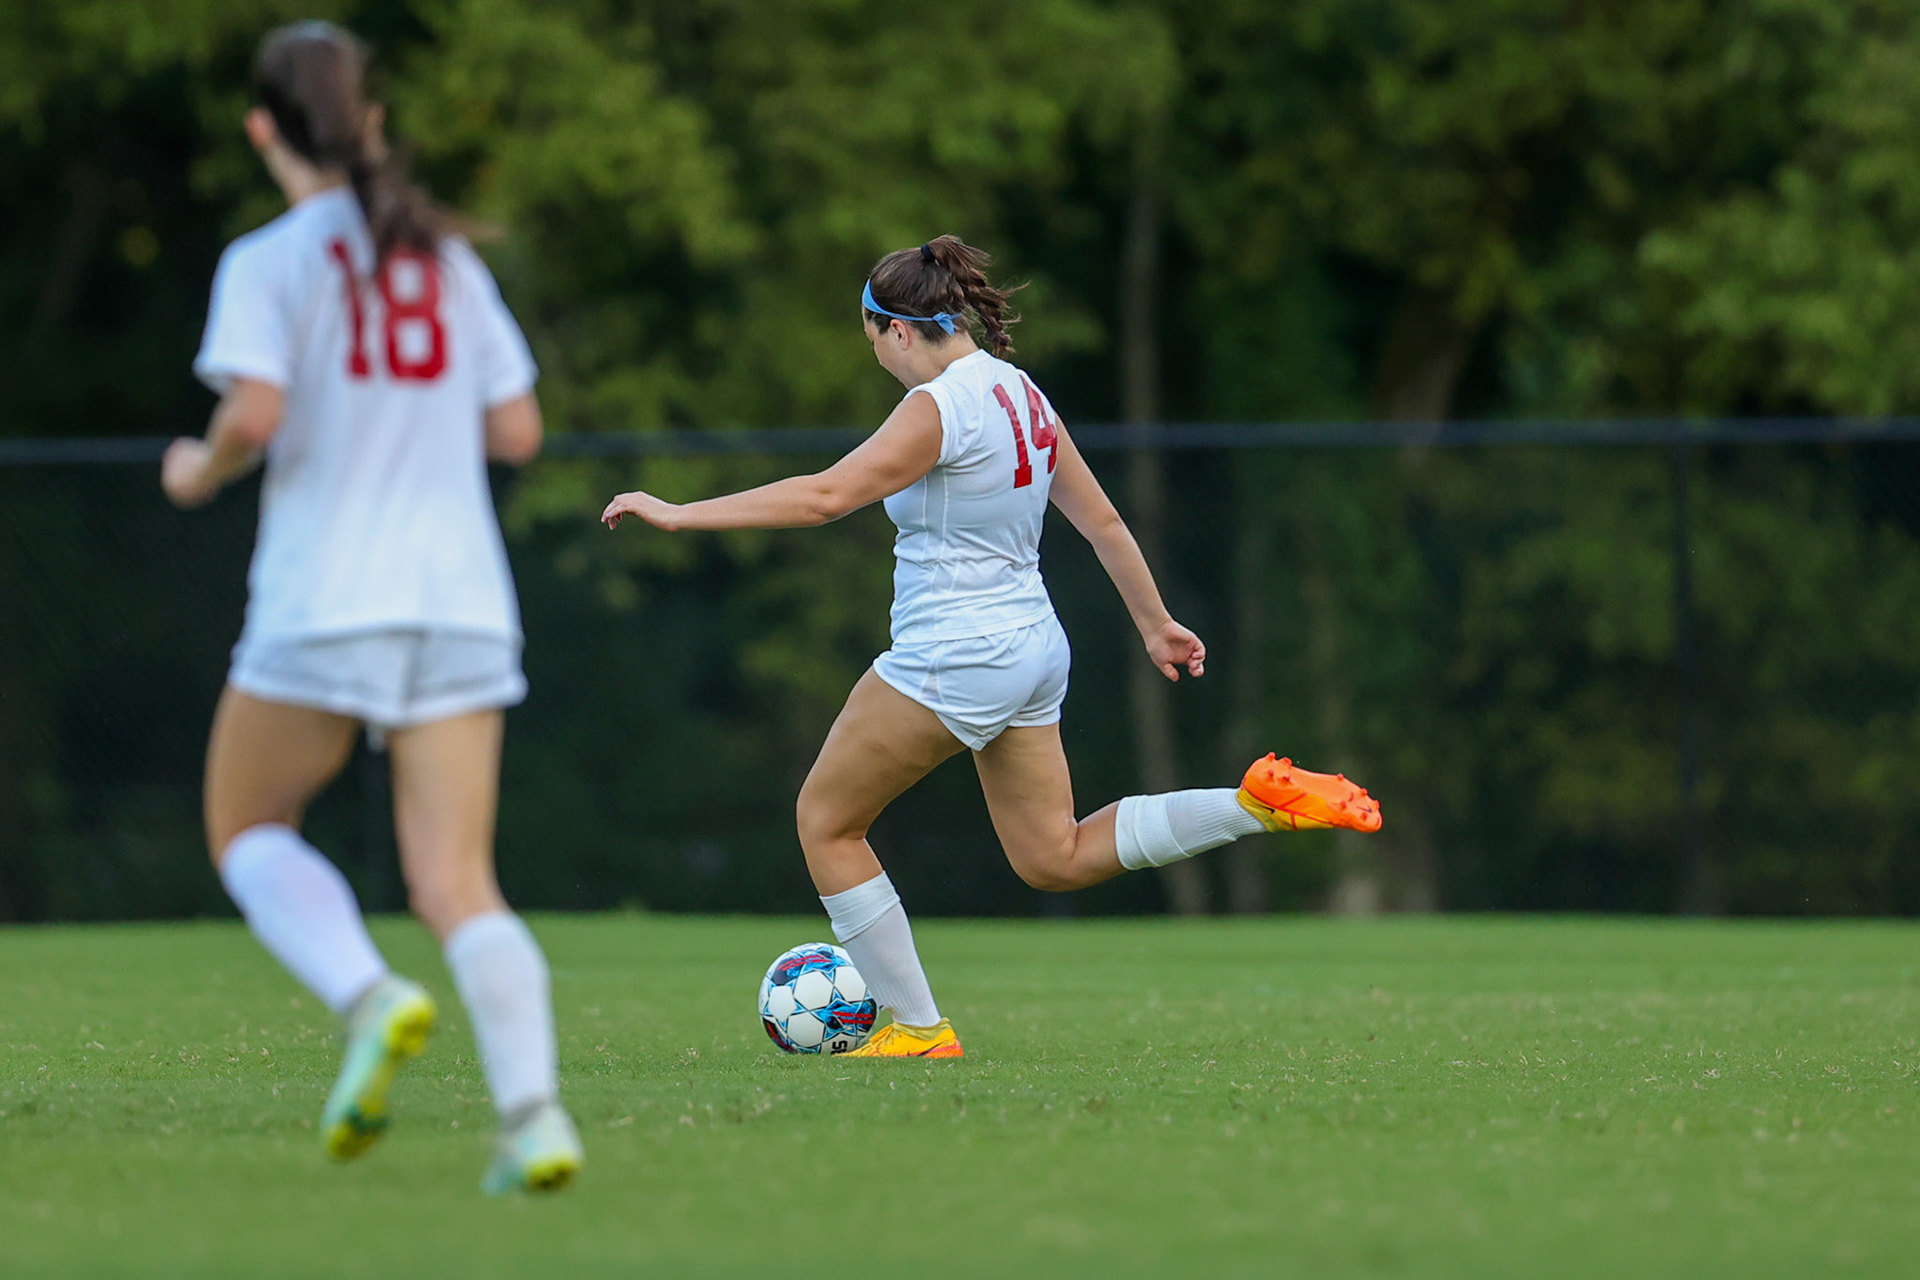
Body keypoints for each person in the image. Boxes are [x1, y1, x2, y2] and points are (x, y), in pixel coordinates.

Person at [602, 235, 1383, 1058]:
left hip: (956, 653)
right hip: (1033, 649)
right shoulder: (1023, 393)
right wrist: (1155, 622)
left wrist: (680, 513)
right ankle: (1253, 805)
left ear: (897, 329)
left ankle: (919, 1028)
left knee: (826, 822)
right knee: (1054, 856)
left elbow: (826, 497)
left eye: (873, 340)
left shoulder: (937, 408)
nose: (879, 359)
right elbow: (1102, 521)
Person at [161, 21, 580, 1191]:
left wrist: (198, 469)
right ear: (375, 121)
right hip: (462, 598)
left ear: (263, 130)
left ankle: (369, 992)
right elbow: (518, 429)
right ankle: (536, 1118)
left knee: (248, 827)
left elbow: (251, 413)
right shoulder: (445, 259)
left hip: (326, 594)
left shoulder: (269, 259)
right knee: (456, 879)